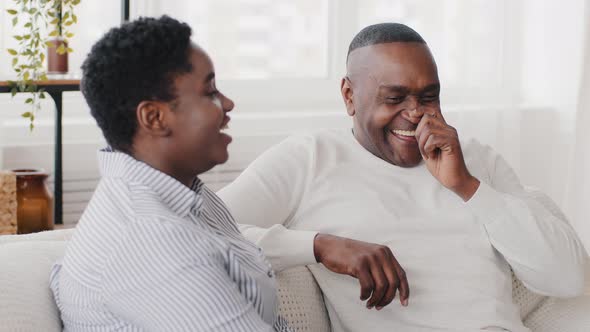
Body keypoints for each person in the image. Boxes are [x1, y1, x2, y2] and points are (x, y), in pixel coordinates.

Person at [218, 23, 587, 331]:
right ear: (349, 95)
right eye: (394, 99)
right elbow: (202, 231)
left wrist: (468, 187)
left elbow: (568, 279)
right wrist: (321, 246)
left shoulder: (476, 159)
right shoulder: (309, 158)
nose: (415, 114)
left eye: (429, 97)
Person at [49, 16, 291, 332]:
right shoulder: (150, 237)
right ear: (154, 117)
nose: (228, 104)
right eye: (211, 92)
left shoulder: (183, 194)